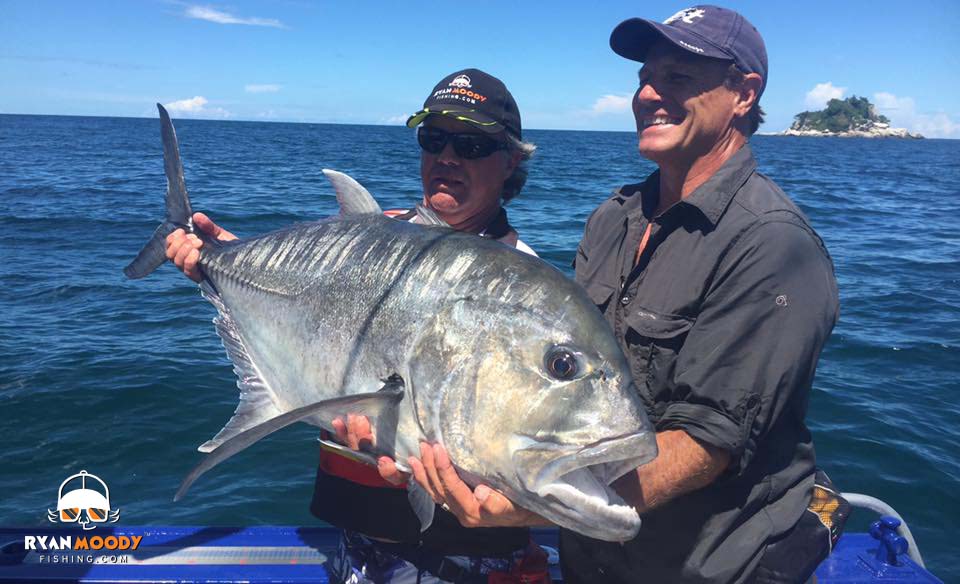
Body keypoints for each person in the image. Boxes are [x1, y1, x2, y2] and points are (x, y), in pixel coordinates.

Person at [401, 6, 842, 583]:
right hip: (594, 561)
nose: (649, 94)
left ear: (744, 93)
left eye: (678, 78)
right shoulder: (612, 221)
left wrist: (529, 507)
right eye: (644, 77)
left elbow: (709, 441)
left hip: (711, 568)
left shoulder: (772, 246)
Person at [164, 68, 551, 583]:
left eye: (472, 144)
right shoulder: (374, 233)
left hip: (458, 562)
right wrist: (218, 259)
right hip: (354, 549)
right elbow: (302, 297)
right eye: (433, 138)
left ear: (511, 162)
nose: (448, 157)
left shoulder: (522, 292)